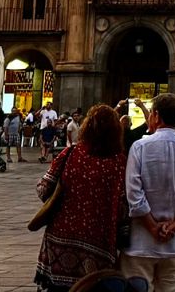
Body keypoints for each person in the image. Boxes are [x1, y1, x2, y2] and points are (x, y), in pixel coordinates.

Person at [35, 104, 128, 289]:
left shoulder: (70, 154)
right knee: (93, 287)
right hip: (100, 243)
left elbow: (43, 189)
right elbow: (124, 204)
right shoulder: (119, 162)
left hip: (60, 239)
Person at [122, 93, 175, 292]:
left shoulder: (140, 147)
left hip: (141, 243)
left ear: (156, 115)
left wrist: (152, 227)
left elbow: (134, 194)